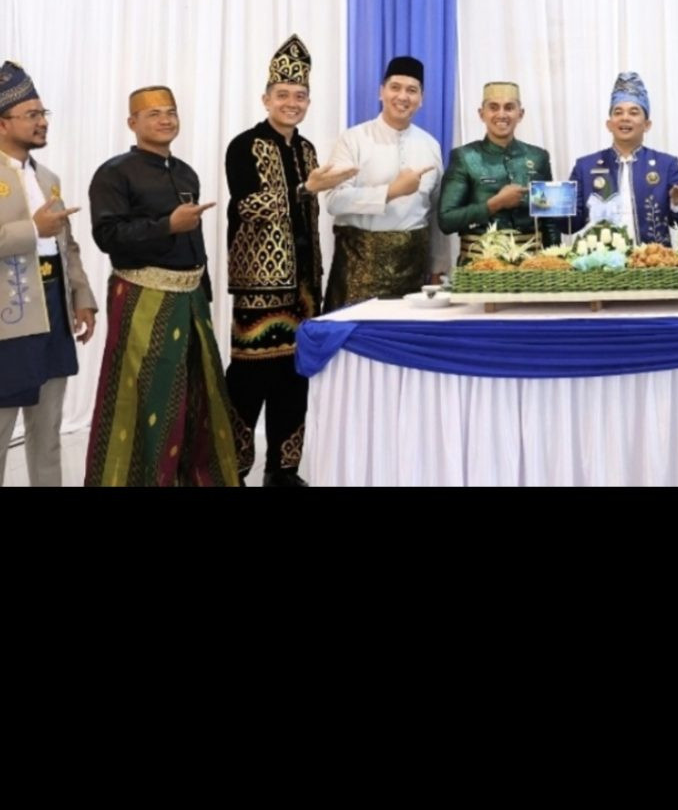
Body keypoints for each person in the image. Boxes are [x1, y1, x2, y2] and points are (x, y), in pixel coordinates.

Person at [85, 86, 240, 487]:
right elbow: (107, 236)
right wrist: (167, 225)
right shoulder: (114, 173)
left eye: (170, 112)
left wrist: (204, 292)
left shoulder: (186, 172)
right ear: (132, 123)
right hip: (143, 298)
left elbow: (194, 238)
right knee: (148, 394)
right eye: (153, 114)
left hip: (191, 299)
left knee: (198, 391)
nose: (165, 119)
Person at [225, 34, 338, 489]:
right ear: (266, 98)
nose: (292, 103)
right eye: (283, 95)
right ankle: (230, 469)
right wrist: (304, 189)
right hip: (259, 285)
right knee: (248, 381)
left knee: (295, 379)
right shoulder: (244, 145)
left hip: (304, 286)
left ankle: (283, 470)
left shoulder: (307, 150)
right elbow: (248, 205)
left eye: (300, 96)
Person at [0, 61, 98, 486]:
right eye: (31, 115)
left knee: (49, 434)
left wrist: (81, 297)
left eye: (43, 114)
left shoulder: (48, 178)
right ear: (3, 123)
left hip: (53, 314)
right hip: (7, 323)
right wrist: (31, 230)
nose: (42, 122)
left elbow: (67, 245)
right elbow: (39, 232)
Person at [323, 56, 449, 311]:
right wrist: (391, 192)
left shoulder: (430, 145)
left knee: (404, 334)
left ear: (421, 98)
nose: (402, 96)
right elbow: (334, 201)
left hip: (413, 273)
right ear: (381, 92)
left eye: (411, 90)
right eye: (395, 87)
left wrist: (438, 269)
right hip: (358, 269)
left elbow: (437, 213)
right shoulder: (353, 140)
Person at [570, 73, 678, 245]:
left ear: (647, 125)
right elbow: (569, 226)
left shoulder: (666, 165)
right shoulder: (585, 167)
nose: (625, 118)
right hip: (600, 261)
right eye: (618, 112)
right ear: (609, 125)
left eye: (633, 112)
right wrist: (554, 205)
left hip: (653, 260)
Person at [439, 82, 559, 259]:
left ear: (520, 114)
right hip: (478, 266)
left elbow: (549, 220)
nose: (501, 114)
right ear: (482, 114)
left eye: (509, 107)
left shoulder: (538, 157)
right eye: (493, 107)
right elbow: (446, 220)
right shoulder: (465, 157)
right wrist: (495, 204)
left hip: (531, 266)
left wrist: (556, 261)